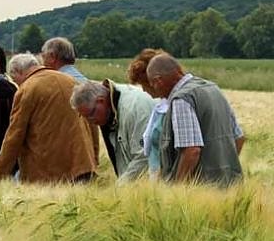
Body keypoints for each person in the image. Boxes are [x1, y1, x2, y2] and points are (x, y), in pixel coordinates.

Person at [0, 54, 96, 184]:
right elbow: (92, 122)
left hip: (47, 172)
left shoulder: (27, 89)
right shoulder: (71, 81)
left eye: (14, 79)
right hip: (82, 164)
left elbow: (14, 135)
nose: (17, 84)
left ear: (19, 72)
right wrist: (94, 159)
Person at [145, 53, 245, 187]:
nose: (155, 92)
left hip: (202, 188)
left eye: (153, 85)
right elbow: (239, 138)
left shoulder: (182, 99)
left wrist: (178, 190)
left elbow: (191, 150)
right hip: (231, 185)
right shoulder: (213, 88)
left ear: (158, 81)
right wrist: (224, 168)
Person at [70, 79, 155, 183]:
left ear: (101, 101)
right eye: (85, 117)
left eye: (91, 114)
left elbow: (144, 155)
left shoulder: (133, 109)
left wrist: (120, 186)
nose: (90, 121)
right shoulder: (110, 108)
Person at [127, 48, 171, 177]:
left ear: (154, 81)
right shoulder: (160, 106)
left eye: (144, 85)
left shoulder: (175, 106)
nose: (144, 90)